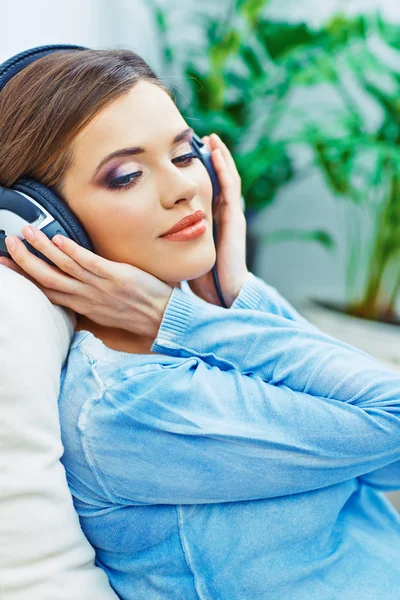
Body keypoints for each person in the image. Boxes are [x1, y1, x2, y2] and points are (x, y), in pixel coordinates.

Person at [1, 48, 400, 600]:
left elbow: (385, 473)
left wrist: (234, 294)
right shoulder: (127, 406)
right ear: (45, 221)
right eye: (127, 175)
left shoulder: (190, 337)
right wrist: (178, 316)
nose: (183, 188)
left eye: (185, 155)